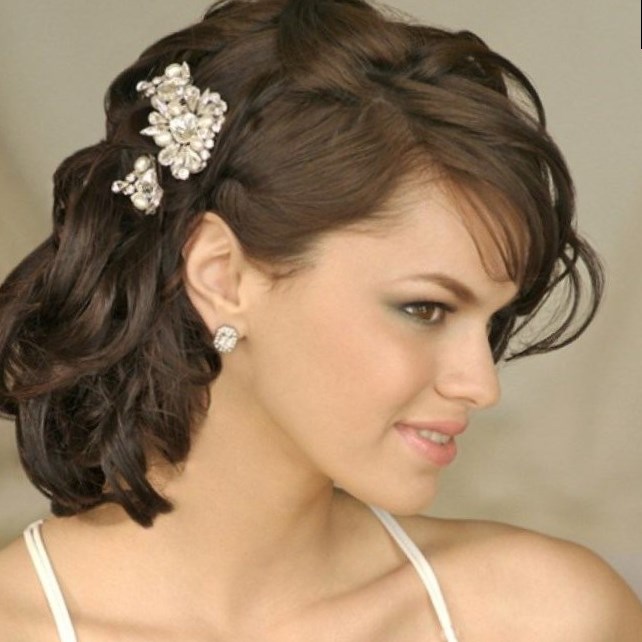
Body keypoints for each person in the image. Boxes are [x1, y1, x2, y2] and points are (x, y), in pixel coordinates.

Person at [0, 0, 640, 639]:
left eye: (490, 319)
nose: (481, 385)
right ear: (221, 276)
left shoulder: (549, 617)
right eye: (424, 309)